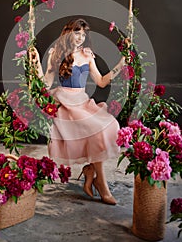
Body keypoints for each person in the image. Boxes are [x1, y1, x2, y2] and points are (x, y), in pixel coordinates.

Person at [30, 18, 129, 205]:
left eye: (83, 35)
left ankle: (92, 172)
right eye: (77, 33)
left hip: (82, 101)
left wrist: (122, 63)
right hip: (65, 103)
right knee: (95, 131)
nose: (80, 38)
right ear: (69, 33)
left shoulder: (87, 55)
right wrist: (35, 64)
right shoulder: (56, 54)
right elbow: (46, 84)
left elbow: (101, 81)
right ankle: (100, 182)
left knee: (108, 126)